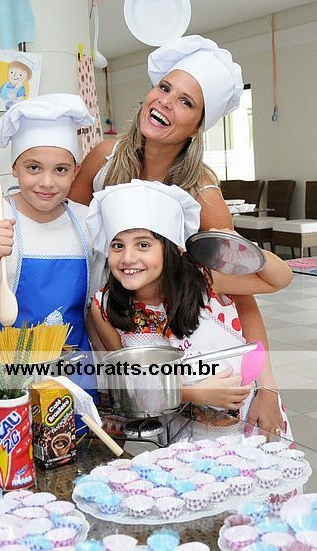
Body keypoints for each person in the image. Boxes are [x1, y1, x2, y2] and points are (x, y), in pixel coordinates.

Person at [70, 35, 281, 434]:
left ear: (197, 127)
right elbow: (68, 235)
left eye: (185, 102)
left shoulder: (203, 196)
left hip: (180, 350)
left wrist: (267, 387)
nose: (166, 102)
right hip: (107, 323)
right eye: (165, 88)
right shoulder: (102, 160)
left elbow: (241, 295)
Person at [0, 94, 98, 432]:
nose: (46, 182)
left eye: (60, 170)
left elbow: (97, 311)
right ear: (14, 167)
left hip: (72, 384)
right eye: (33, 168)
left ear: (76, 171)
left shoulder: (89, 222)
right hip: (2, 388)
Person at [87, 180, 292, 433]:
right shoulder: (105, 306)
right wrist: (191, 394)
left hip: (251, 412)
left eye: (143, 244)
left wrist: (242, 244)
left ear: (172, 248)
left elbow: (279, 279)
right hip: (181, 432)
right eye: (117, 245)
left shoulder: (204, 279)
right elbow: (130, 386)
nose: (128, 258)